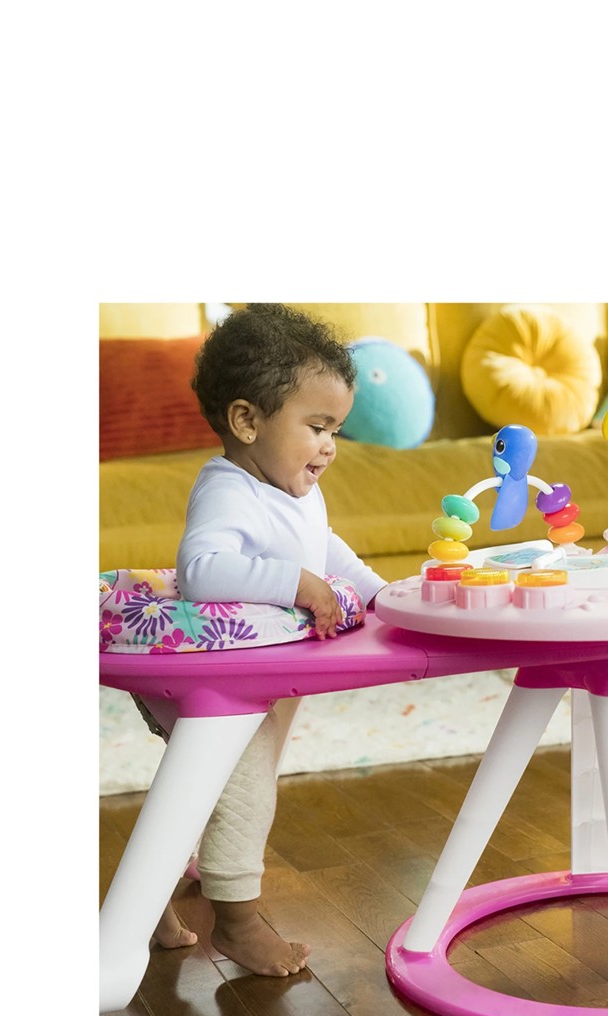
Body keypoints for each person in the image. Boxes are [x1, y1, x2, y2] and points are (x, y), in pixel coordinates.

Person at [149, 303, 386, 976]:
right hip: (215, 677)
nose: (330, 446)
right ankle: (238, 923)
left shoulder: (294, 490)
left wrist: (380, 594)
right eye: (317, 427)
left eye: (335, 429)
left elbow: (326, 547)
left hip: (259, 674)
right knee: (245, 786)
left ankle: (148, 898)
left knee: (207, 780)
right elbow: (202, 569)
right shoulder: (229, 490)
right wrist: (296, 583)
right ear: (247, 421)